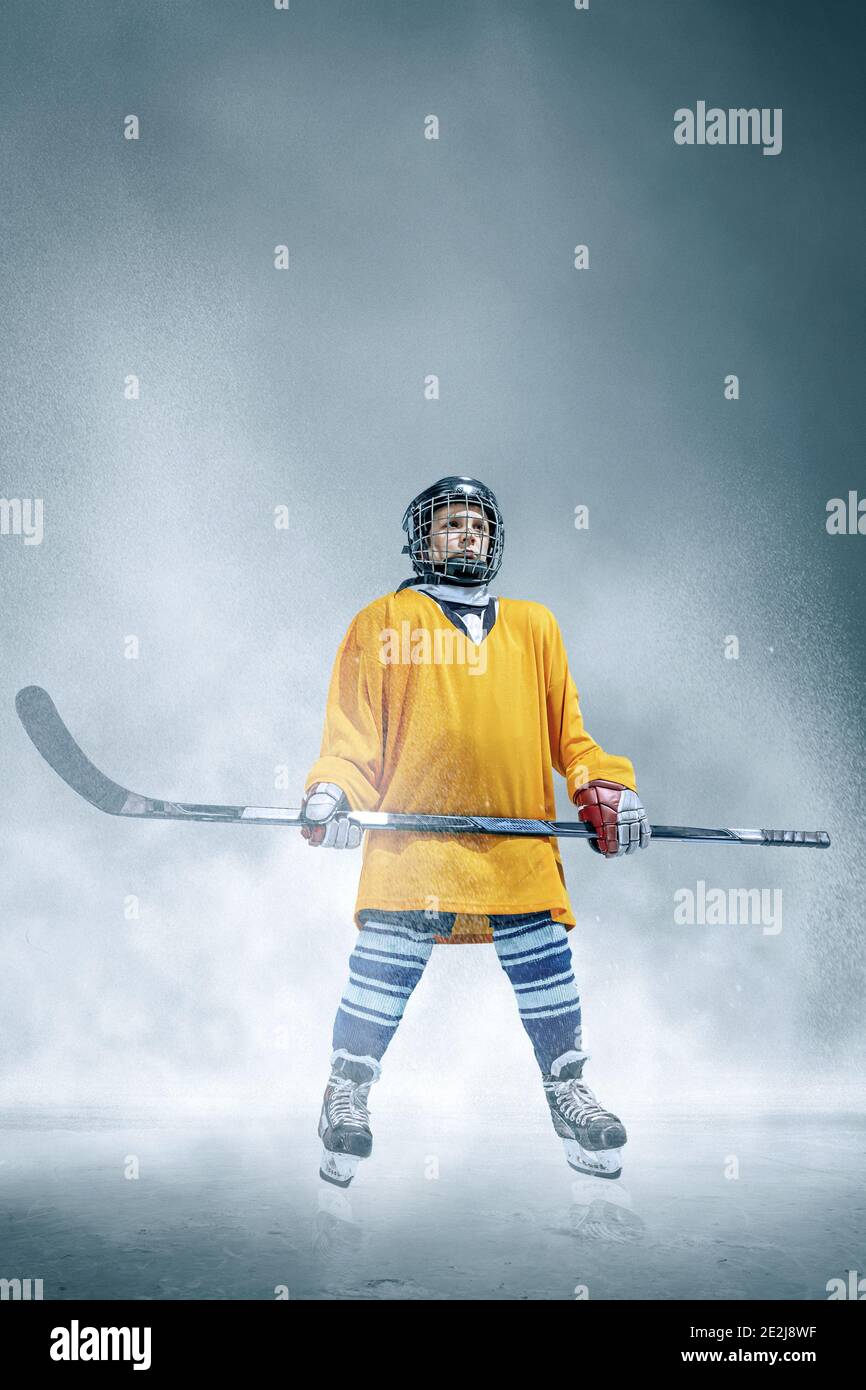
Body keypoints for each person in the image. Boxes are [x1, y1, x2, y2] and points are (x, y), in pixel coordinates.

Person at [301, 477, 650, 1188]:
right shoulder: (384, 621)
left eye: (479, 526)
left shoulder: (534, 627)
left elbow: (572, 739)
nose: (468, 536)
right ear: (422, 540)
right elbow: (353, 733)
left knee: (544, 963)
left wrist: (608, 790)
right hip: (413, 846)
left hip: (515, 844)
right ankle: (347, 1094)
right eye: (452, 524)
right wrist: (333, 790)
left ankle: (567, 1094)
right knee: (384, 968)